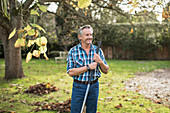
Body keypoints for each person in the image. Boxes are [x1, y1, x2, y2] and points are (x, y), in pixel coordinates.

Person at [66, 25, 109, 113]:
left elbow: (106, 70)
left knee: (91, 111)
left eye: (91, 35)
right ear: (80, 37)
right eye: (87, 35)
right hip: (79, 86)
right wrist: (88, 67)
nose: (90, 37)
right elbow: (70, 72)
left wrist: (100, 61)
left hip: (94, 86)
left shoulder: (98, 50)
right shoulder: (73, 51)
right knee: (76, 111)